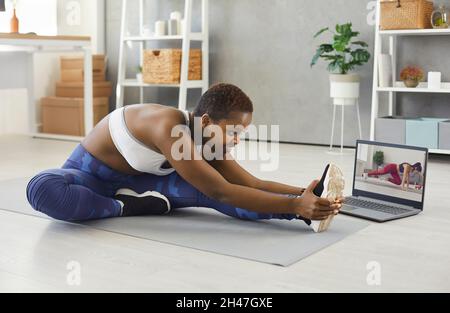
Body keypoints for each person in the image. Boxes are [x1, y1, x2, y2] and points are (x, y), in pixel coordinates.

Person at [26, 83, 342, 230]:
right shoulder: (168, 127)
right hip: (92, 175)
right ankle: (128, 206)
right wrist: (292, 200)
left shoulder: (205, 137)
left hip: (150, 181)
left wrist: (303, 197)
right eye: (232, 132)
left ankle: (303, 214)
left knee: (226, 194)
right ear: (205, 122)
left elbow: (249, 182)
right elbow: (220, 188)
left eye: (241, 134)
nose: (236, 140)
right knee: (42, 189)